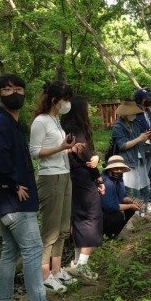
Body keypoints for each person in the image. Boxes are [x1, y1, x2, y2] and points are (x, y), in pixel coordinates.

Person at [0, 74, 74, 301]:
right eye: (7, 89)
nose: (14, 92)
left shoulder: (11, 122)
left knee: (10, 251)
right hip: (13, 201)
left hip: (6, 200)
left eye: (19, 88)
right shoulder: (1, 123)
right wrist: (12, 184)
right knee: (34, 251)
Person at [29, 80, 84, 293]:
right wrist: (61, 147)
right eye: (65, 100)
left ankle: (56, 270)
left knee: (63, 229)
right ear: (54, 100)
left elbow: (57, 148)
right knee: (50, 231)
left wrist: (68, 149)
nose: (67, 103)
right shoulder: (40, 121)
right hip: (50, 178)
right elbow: (35, 152)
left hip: (64, 174)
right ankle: (44, 276)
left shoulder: (56, 119)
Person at [60, 96, 101, 282]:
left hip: (72, 176)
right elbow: (85, 154)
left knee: (79, 217)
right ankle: (82, 264)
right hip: (82, 177)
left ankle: (77, 262)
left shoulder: (64, 126)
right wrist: (97, 174)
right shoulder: (76, 128)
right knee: (91, 217)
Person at [111, 99, 151, 215]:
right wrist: (139, 139)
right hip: (127, 161)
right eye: (132, 113)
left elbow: (139, 139)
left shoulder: (134, 124)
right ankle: (134, 213)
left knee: (145, 185)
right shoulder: (118, 127)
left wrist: (146, 138)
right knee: (132, 189)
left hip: (140, 158)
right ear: (125, 114)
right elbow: (122, 145)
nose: (134, 115)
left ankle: (144, 209)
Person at [101, 155, 141, 238]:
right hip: (100, 214)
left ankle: (117, 231)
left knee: (130, 209)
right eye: (116, 168)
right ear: (109, 169)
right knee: (117, 216)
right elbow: (110, 207)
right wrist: (130, 205)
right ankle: (108, 235)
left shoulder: (119, 179)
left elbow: (122, 196)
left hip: (110, 209)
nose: (119, 171)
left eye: (121, 168)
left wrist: (131, 201)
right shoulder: (106, 182)